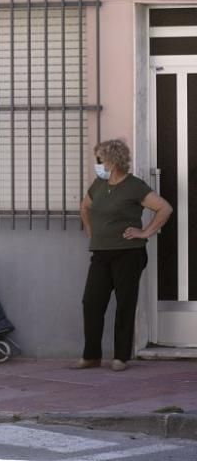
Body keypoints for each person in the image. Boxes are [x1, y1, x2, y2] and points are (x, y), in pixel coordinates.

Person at [74, 139, 172, 372]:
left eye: (100, 159)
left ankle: (120, 357)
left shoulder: (134, 186)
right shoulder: (98, 185)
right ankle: (91, 356)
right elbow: (85, 207)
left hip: (128, 254)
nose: (97, 163)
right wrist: (91, 232)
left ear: (112, 161)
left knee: (125, 304)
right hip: (101, 253)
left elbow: (164, 208)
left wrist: (145, 232)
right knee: (91, 303)